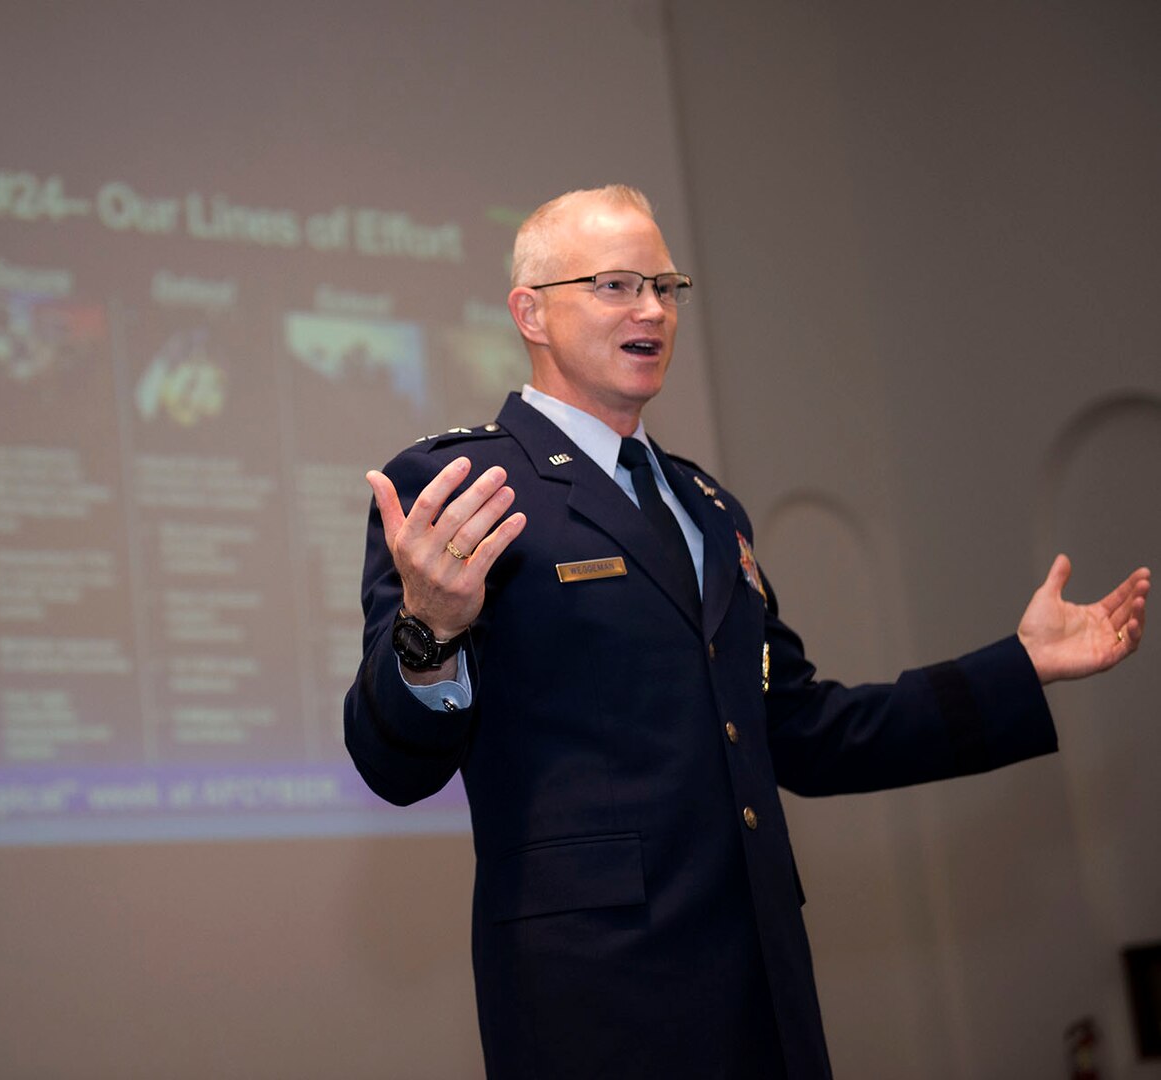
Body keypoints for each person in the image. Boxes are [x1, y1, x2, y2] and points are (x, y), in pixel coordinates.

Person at [342, 184, 1150, 1079]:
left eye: (665, 286)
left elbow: (804, 730)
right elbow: (393, 766)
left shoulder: (704, 505)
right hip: (592, 1000)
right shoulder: (465, 483)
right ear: (530, 311)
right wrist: (429, 633)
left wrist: (1020, 669)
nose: (651, 308)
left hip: (763, 985)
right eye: (615, 285)